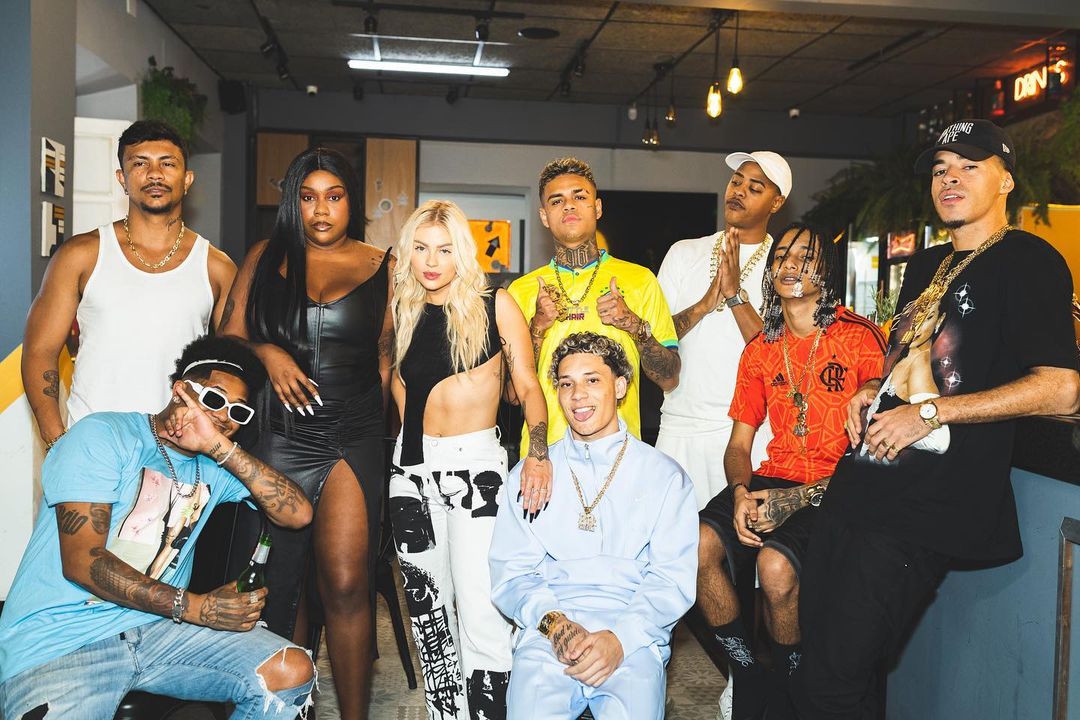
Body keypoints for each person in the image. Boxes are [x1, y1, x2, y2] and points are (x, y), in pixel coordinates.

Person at [794, 119, 1080, 719]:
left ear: (1005, 181)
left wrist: (930, 412)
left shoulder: (1029, 261)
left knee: (833, 680)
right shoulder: (925, 265)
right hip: (859, 485)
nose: (950, 179)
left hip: (923, 507)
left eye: (970, 166)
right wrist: (871, 388)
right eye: (941, 169)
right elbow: (907, 358)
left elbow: (1062, 389)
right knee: (823, 660)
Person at [0, 335, 315, 719]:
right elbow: (83, 561)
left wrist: (218, 446)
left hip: (158, 630)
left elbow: (298, 514)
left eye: (237, 411)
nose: (223, 416)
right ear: (180, 390)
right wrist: (196, 607)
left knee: (289, 670)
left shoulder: (214, 467)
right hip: (62, 639)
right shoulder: (104, 435)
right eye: (215, 399)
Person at [220, 147, 393, 719]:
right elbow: (227, 338)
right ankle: (289, 708)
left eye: (334, 196)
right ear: (292, 201)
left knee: (346, 583)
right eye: (308, 196)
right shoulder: (265, 256)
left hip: (352, 436)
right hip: (278, 433)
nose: (321, 210)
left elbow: (388, 360)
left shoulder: (383, 265)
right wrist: (267, 352)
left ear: (351, 201)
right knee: (281, 585)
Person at [695, 223, 886, 720]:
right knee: (696, 546)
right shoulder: (761, 347)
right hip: (773, 475)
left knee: (774, 568)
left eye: (806, 254)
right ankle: (747, 673)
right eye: (782, 254)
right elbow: (739, 445)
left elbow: (876, 451)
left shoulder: (859, 337)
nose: (790, 263)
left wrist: (796, 500)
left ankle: (790, 684)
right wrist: (740, 491)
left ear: (828, 270)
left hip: (838, 484)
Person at [389, 200, 553, 720]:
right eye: (421, 248)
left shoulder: (494, 303)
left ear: (462, 252)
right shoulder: (402, 307)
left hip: (475, 469)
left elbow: (528, 386)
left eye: (444, 249)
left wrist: (539, 454)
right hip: (411, 471)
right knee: (429, 616)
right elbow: (395, 383)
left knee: (482, 608)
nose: (431, 261)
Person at [489, 332, 697, 720]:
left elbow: (672, 579)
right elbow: (512, 574)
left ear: (620, 386)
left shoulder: (665, 477)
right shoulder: (530, 475)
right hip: (549, 631)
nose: (578, 395)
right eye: (566, 384)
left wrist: (622, 639)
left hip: (634, 633)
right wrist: (554, 625)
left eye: (592, 380)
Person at [22, 120, 236, 448]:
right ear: (122, 179)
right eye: (140, 164)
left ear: (187, 179)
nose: (154, 174)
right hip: (92, 445)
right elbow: (40, 350)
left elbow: (233, 369)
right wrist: (58, 445)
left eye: (168, 164)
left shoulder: (217, 267)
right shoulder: (81, 255)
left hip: (178, 450)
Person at [507, 157, 680, 451]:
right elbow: (512, 395)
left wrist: (634, 326)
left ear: (597, 208)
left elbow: (669, 378)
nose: (569, 206)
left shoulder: (640, 280)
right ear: (544, 216)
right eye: (557, 201)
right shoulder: (521, 291)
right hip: (545, 458)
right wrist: (537, 328)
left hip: (620, 453)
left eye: (579, 197)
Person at [657, 150, 793, 511]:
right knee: (670, 537)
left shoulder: (785, 267)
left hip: (749, 435)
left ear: (776, 202)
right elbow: (655, 340)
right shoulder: (684, 253)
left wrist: (734, 297)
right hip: (679, 426)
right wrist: (704, 305)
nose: (739, 191)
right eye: (736, 182)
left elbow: (783, 355)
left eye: (755, 187)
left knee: (736, 541)